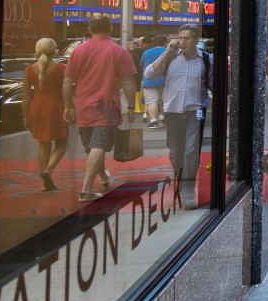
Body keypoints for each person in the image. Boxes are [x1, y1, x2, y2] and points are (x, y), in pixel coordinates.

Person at [63, 15, 138, 203]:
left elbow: (66, 81)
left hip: (83, 106)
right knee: (98, 145)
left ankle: (103, 176)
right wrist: (131, 106)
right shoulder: (119, 52)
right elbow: (128, 81)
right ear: (110, 29)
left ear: (89, 29)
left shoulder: (77, 51)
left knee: (93, 147)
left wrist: (68, 106)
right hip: (107, 107)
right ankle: (86, 189)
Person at [144, 25, 212, 210]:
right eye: (180, 38)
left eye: (187, 38)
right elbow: (149, 74)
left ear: (196, 39)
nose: (182, 41)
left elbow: (213, 84)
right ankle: (182, 183)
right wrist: (166, 53)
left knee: (191, 152)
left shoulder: (206, 59)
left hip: (195, 111)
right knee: (175, 153)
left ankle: (188, 190)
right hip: (172, 112)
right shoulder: (171, 58)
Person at [22, 38, 67, 192]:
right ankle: (48, 170)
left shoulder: (29, 70)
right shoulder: (61, 67)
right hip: (56, 107)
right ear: (54, 51)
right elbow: (66, 91)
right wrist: (70, 108)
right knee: (61, 143)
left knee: (43, 144)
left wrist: (25, 117)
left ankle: (44, 178)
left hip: (37, 107)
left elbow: (26, 97)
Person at [139, 35, 168, 129]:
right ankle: (163, 118)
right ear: (164, 42)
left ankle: (153, 121)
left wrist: (143, 79)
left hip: (149, 80)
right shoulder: (168, 52)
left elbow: (142, 66)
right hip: (165, 80)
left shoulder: (146, 52)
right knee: (164, 100)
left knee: (152, 101)